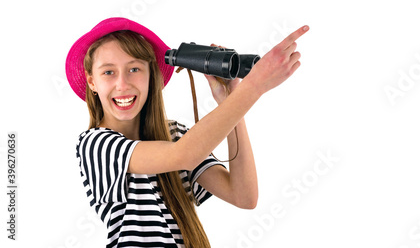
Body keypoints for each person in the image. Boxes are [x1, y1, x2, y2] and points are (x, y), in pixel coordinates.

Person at [65, 17, 309, 248]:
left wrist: (230, 101)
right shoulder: (95, 144)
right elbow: (184, 155)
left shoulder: (175, 134)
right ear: (92, 82)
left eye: (134, 69)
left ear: (151, 75)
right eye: (108, 72)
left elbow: (243, 195)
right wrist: (255, 85)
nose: (122, 84)